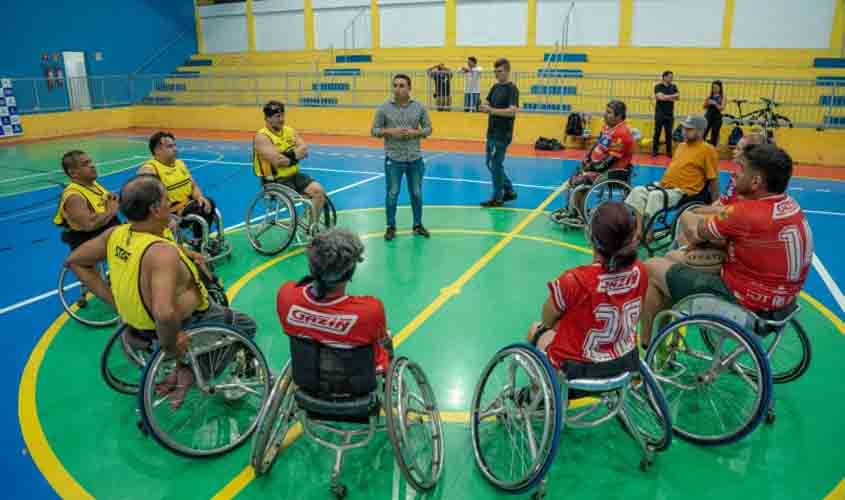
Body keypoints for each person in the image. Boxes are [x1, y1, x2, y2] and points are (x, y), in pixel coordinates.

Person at [65, 175, 257, 408]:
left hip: (135, 325)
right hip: (186, 322)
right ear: (155, 209)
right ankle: (192, 373)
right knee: (247, 325)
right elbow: (164, 314)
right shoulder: (161, 254)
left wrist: (115, 302)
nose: (170, 204)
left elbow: (75, 261)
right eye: (166, 200)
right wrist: (173, 349)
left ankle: (187, 366)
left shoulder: (116, 234)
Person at [639, 144, 812, 346]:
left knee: (651, 266)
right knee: (673, 258)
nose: (734, 173)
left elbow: (694, 232)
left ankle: (647, 346)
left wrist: (686, 213)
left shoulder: (745, 213)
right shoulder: (792, 206)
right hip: (779, 306)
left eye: (741, 169)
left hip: (745, 310)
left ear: (756, 181)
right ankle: (661, 338)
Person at [527, 201, 645, 379]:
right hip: (624, 361)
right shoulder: (641, 271)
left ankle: (537, 389)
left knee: (536, 329)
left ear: (591, 236)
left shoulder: (574, 280)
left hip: (578, 369)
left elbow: (547, 319)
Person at [277, 228, 393, 373]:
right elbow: (379, 339)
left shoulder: (286, 295)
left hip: (308, 376)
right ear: (350, 273)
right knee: (386, 336)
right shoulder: (369, 311)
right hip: (356, 380)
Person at [625, 115, 719, 237]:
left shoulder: (708, 150)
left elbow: (713, 179)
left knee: (655, 196)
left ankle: (649, 233)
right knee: (638, 191)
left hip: (683, 191)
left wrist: (716, 203)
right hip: (665, 186)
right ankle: (639, 229)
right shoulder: (681, 146)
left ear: (700, 131)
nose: (684, 131)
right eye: (684, 128)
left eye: (689, 129)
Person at [673, 131, 769, 249]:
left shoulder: (749, 181)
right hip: (728, 213)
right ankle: (683, 248)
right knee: (691, 213)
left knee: (690, 216)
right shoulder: (739, 174)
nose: (734, 151)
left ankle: (685, 251)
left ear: (750, 153)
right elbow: (723, 201)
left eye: (738, 149)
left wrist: (704, 211)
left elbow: (735, 211)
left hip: (733, 221)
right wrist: (707, 208)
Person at [371, 74, 433, 241]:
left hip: (415, 158)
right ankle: (390, 226)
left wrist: (415, 132)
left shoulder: (419, 107)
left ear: (409, 88)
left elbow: (428, 129)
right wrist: (390, 131)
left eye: (401, 86)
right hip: (393, 159)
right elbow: (374, 130)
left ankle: (417, 225)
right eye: (395, 85)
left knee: (417, 193)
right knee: (392, 193)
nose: (397, 89)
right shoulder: (383, 108)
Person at [552, 101, 634, 221]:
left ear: (619, 116)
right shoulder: (607, 127)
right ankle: (575, 210)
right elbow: (597, 145)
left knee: (579, 182)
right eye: (606, 111)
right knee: (575, 177)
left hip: (610, 172)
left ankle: (580, 215)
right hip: (597, 167)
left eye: (609, 112)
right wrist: (587, 159)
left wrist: (590, 167)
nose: (605, 114)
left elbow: (609, 162)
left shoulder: (622, 133)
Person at [138, 132, 218, 248]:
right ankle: (200, 242)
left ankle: (199, 240)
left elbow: (193, 186)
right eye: (170, 146)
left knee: (208, 202)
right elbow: (149, 201)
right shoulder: (150, 170)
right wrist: (167, 218)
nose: (175, 149)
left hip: (188, 206)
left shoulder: (180, 164)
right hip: (171, 213)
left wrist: (199, 197)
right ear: (157, 150)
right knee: (199, 208)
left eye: (175, 145)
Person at [253, 101, 327, 226]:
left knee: (318, 191)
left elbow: (304, 150)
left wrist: (286, 156)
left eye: (283, 115)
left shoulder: (289, 131)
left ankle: (312, 227)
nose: (282, 119)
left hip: (294, 176)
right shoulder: (262, 137)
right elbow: (278, 161)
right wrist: (295, 155)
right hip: (276, 181)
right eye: (277, 116)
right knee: (306, 199)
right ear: (268, 118)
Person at [53, 150, 120, 250]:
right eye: (85, 164)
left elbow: (103, 203)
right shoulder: (74, 197)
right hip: (91, 246)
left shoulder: (92, 184)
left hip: (108, 239)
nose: (92, 166)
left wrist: (112, 198)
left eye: (90, 162)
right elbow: (89, 224)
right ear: (73, 173)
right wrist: (110, 211)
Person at [480, 58, 520, 207]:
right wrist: (484, 106)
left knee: (495, 163)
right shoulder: (495, 87)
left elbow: (512, 111)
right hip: (491, 132)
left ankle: (498, 197)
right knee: (490, 163)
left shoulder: (512, 89)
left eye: (500, 71)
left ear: (507, 71)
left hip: (502, 134)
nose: (497, 74)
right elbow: (488, 101)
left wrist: (491, 110)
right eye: (495, 71)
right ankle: (509, 190)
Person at [652, 71, 680, 158]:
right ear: (664, 77)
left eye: (672, 77)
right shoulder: (658, 86)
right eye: (670, 77)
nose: (671, 78)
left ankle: (669, 151)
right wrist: (672, 96)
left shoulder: (674, 86)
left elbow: (678, 97)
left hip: (670, 114)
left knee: (669, 133)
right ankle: (655, 151)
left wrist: (665, 96)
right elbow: (660, 97)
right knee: (657, 132)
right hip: (660, 114)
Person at [703, 80, 725, 147]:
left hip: (717, 117)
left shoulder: (723, 97)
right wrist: (707, 103)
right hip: (708, 116)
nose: (714, 89)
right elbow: (704, 107)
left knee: (714, 134)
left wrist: (715, 103)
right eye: (713, 87)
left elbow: (722, 108)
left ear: (720, 88)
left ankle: (713, 148)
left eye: (716, 87)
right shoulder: (709, 96)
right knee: (704, 132)